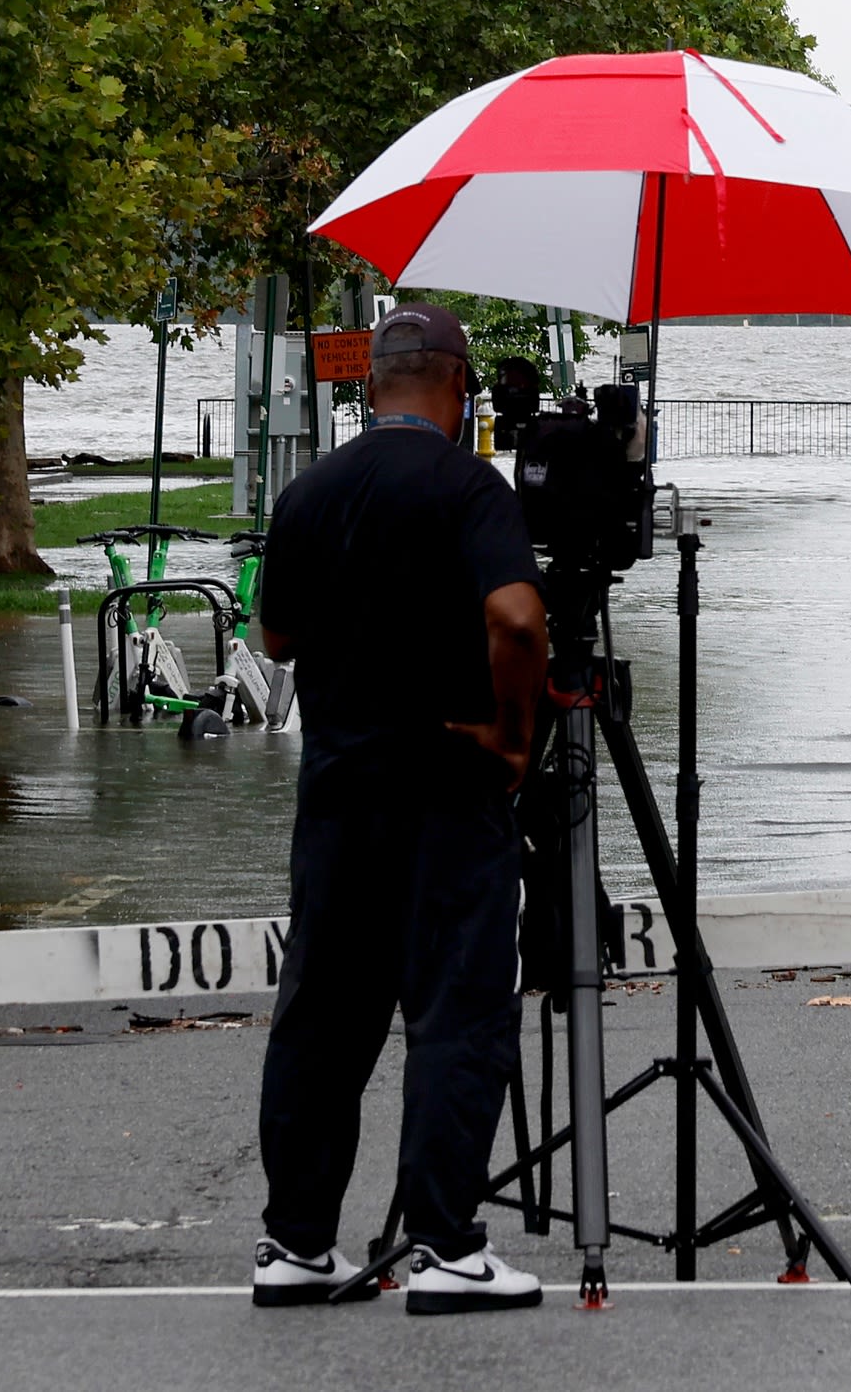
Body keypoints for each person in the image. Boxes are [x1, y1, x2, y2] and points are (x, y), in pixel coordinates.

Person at [247, 302, 551, 1315]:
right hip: (445, 785)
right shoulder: (471, 487)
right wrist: (513, 732)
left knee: (322, 1020)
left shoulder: (308, 492)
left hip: (337, 792)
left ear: (370, 384)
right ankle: (447, 1247)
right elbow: (515, 615)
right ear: (459, 388)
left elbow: (276, 636)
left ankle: (295, 1242)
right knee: (455, 1012)